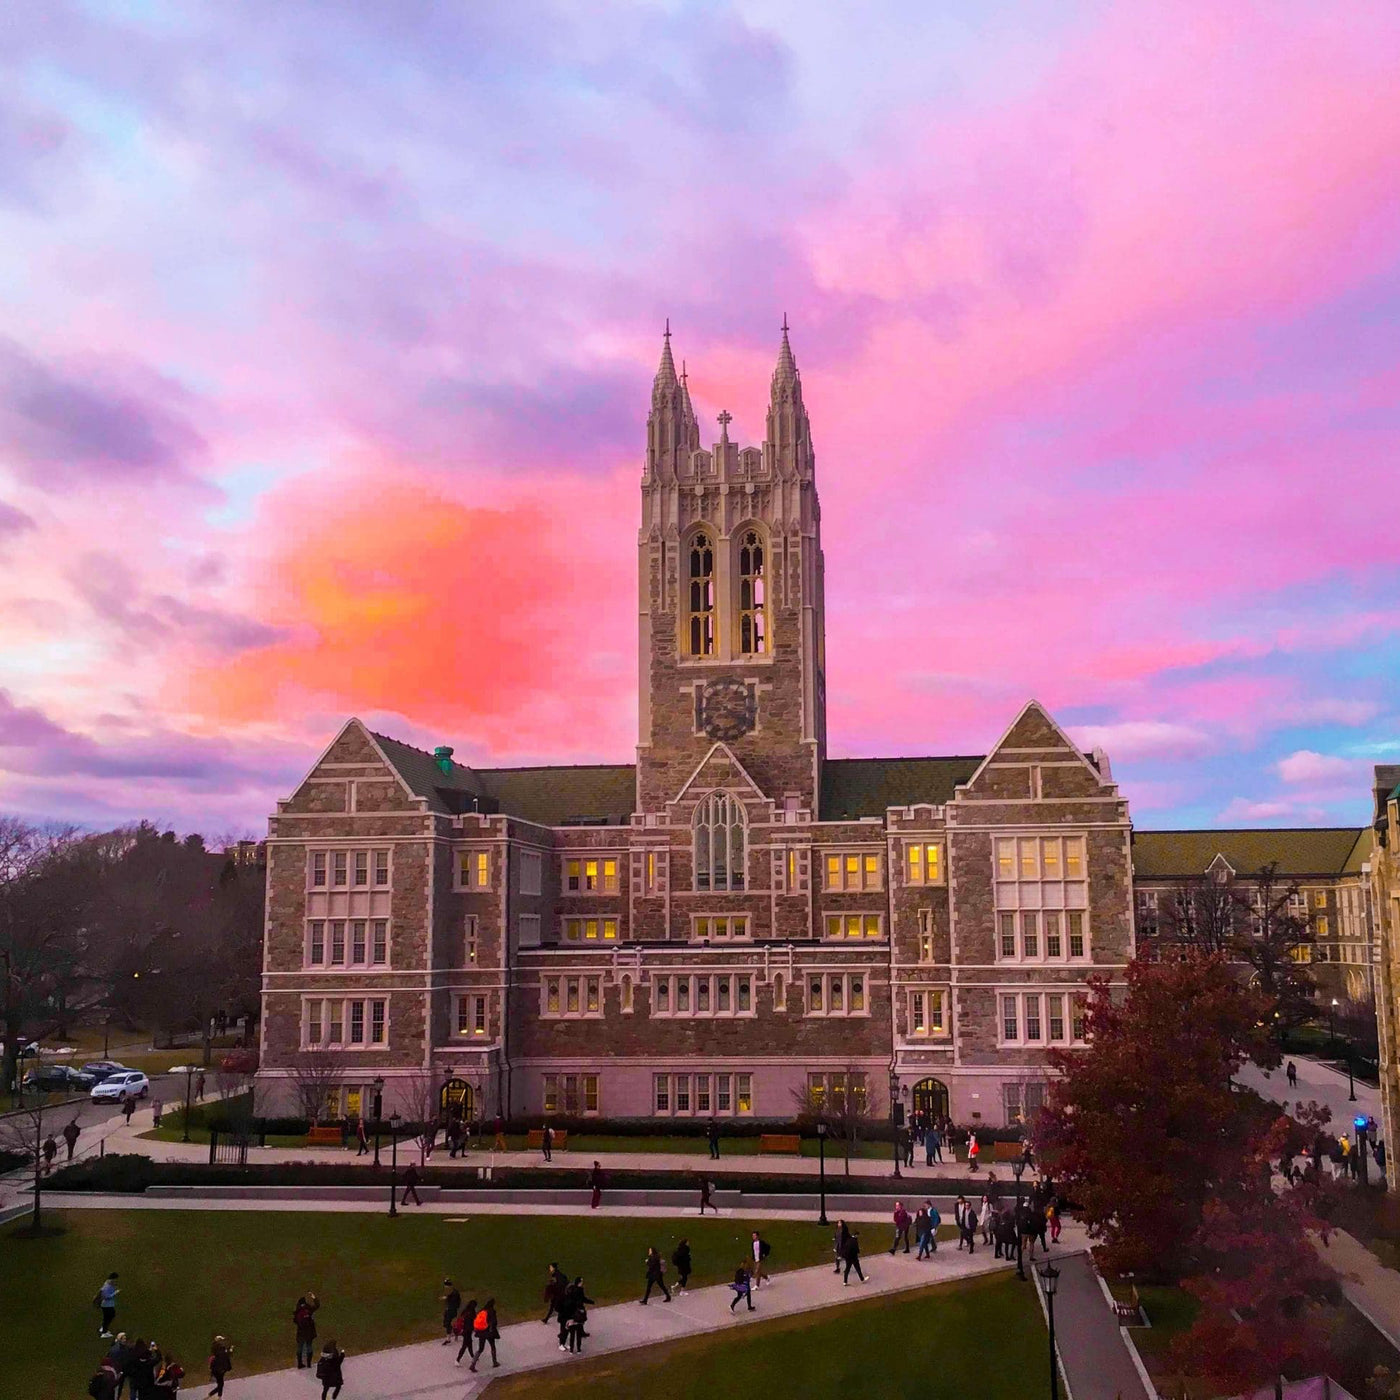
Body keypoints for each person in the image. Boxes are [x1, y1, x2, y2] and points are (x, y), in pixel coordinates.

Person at [558, 1277, 594, 1352]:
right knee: (564, 1330)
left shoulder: (570, 1298)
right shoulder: (566, 1299)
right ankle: (561, 1344)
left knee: (567, 1330)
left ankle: (563, 1343)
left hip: (568, 1316)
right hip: (565, 1317)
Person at [467, 1298, 499, 1371]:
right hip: (489, 1332)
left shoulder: (482, 1311)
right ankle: (494, 1362)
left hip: (481, 1332)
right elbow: (494, 1322)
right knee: (493, 1346)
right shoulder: (492, 1311)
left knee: (480, 1349)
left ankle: (473, 1364)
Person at [293, 1295, 320, 1369]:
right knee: (309, 1346)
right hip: (309, 1331)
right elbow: (317, 1305)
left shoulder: (298, 1311)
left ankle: (299, 1364)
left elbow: (295, 1321)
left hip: (301, 1332)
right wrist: (314, 1297)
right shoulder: (309, 1309)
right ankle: (309, 1364)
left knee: (300, 1347)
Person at [96, 1272, 121, 1338]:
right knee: (109, 1317)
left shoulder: (108, 1284)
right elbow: (106, 1296)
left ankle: (103, 1328)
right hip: (107, 1305)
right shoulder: (107, 1286)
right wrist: (115, 1293)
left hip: (108, 1305)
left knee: (107, 1317)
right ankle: (104, 1332)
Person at [452, 1297, 476, 1366]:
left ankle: (473, 1356)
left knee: (469, 1343)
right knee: (465, 1346)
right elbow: (472, 1322)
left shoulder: (465, 1311)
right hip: (467, 1331)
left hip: (464, 1331)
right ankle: (457, 1360)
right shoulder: (471, 1313)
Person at [441, 1278, 461, 1344]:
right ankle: (453, 1334)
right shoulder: (453, 1292)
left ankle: (449, 1337)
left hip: (451, 1310)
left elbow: (454, 1302)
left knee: (447, 1323)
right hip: (450, 1310)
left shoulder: (454, 1293)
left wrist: (447, 1299)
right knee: (446, 1323)